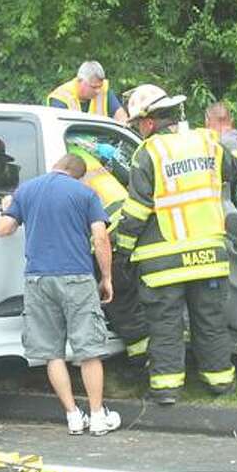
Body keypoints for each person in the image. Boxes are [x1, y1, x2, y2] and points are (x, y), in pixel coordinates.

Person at [115, 85, 237, 405]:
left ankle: (165, 390)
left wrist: (123, 250)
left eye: (138, 124)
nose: (138, 129)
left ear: (149, 122)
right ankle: (221, 382)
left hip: (164, 263)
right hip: (209, 258)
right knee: (210, 321)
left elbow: (136, 211)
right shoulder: (208, 142)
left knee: (165, 325)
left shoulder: (149, 153)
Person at [0, 153, 122, 436]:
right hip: (76, 278)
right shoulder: (86, 194)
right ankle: (99, 416)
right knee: (89, 350)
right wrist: (107, 278)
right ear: (78, 174)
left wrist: (7, 209)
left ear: (57, 165)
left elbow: (3, 230)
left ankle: (73, 417)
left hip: (38, 279)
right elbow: (100, 238)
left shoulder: (26, 190)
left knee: (52, 352)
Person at [65, 137, 148, 367]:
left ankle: (141, 358)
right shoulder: (86, 150)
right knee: (127, 296)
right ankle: (142, 355)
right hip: (121, 219)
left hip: (107, 232)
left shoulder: (66, 157)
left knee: (119, 298)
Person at [47, 61, 129, 123]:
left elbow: (121, 118)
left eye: (99, 86)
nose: (98, 91)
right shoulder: (61, 97)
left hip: (101, 141)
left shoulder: (103, 91)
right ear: (80, 81)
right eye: (93, 87)